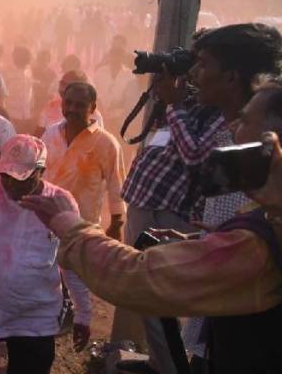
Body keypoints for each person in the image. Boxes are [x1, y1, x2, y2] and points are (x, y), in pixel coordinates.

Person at [21, 78, 282, 374]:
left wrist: (70, 226)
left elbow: (137, 277)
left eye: (244, 121)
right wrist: (200, 240)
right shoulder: (265, 220)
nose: (232, 129)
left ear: (273, 144)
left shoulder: (257, 243)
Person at [117, 23, 282, 373]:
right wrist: (203, 240)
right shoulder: (225, 121)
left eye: (203, 64)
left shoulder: (249, 141)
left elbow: (252, 238)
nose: (192, 73)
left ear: (231, 78)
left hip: (245, 330)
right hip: (224, 316)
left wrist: (72, 232)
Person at [0, 135, 91, 374]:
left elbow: (72, 263)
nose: (12, 185)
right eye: (6, 176)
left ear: (41, 172)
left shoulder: (60, 203)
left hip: (34, 315)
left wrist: (83, 313)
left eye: (21, 179)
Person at [40, 82, 125, 239]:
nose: (72, 109)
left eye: (80, 105)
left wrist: (116, 225)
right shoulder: (51, 134)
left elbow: (117, 187)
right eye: (68, 103)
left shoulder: (106, 143)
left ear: (92, 108)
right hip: (46, 223)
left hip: (83, 229)